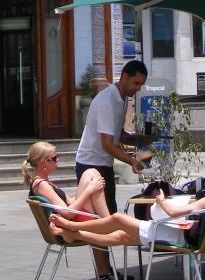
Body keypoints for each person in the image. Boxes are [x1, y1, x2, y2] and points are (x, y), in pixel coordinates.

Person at [50, 157, 205, 250]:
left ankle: (71, 225)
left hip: (178, 237)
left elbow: (174, 213)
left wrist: (161, 200)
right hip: (202, 240)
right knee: (122, 237)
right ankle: (73, 234)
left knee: (117, 218)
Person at [74, 60, 149, 276]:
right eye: (136, 83)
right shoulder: (107, 100)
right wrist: (131, 161)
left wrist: (140, 140)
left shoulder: (122, 99)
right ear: (124, 76)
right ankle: (104, 273)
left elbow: (118, 136)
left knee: (107, 221)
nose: (137, 88)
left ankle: (107, 271)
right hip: (91, 165)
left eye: (141, 85)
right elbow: (107, 144)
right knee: (100, 223)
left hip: (102, 164)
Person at [24, 141, 112, 280]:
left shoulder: (42, 182)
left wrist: (90, 188)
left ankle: (105, 272)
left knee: (92, 174)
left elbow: (69, 202)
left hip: (69, 221)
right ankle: (109, 223)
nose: (57, 160)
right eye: (53, 158)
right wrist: (89, 190)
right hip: (68, 225)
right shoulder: (41, 185)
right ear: (43, 163)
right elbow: (67, 212)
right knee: (91, 174)